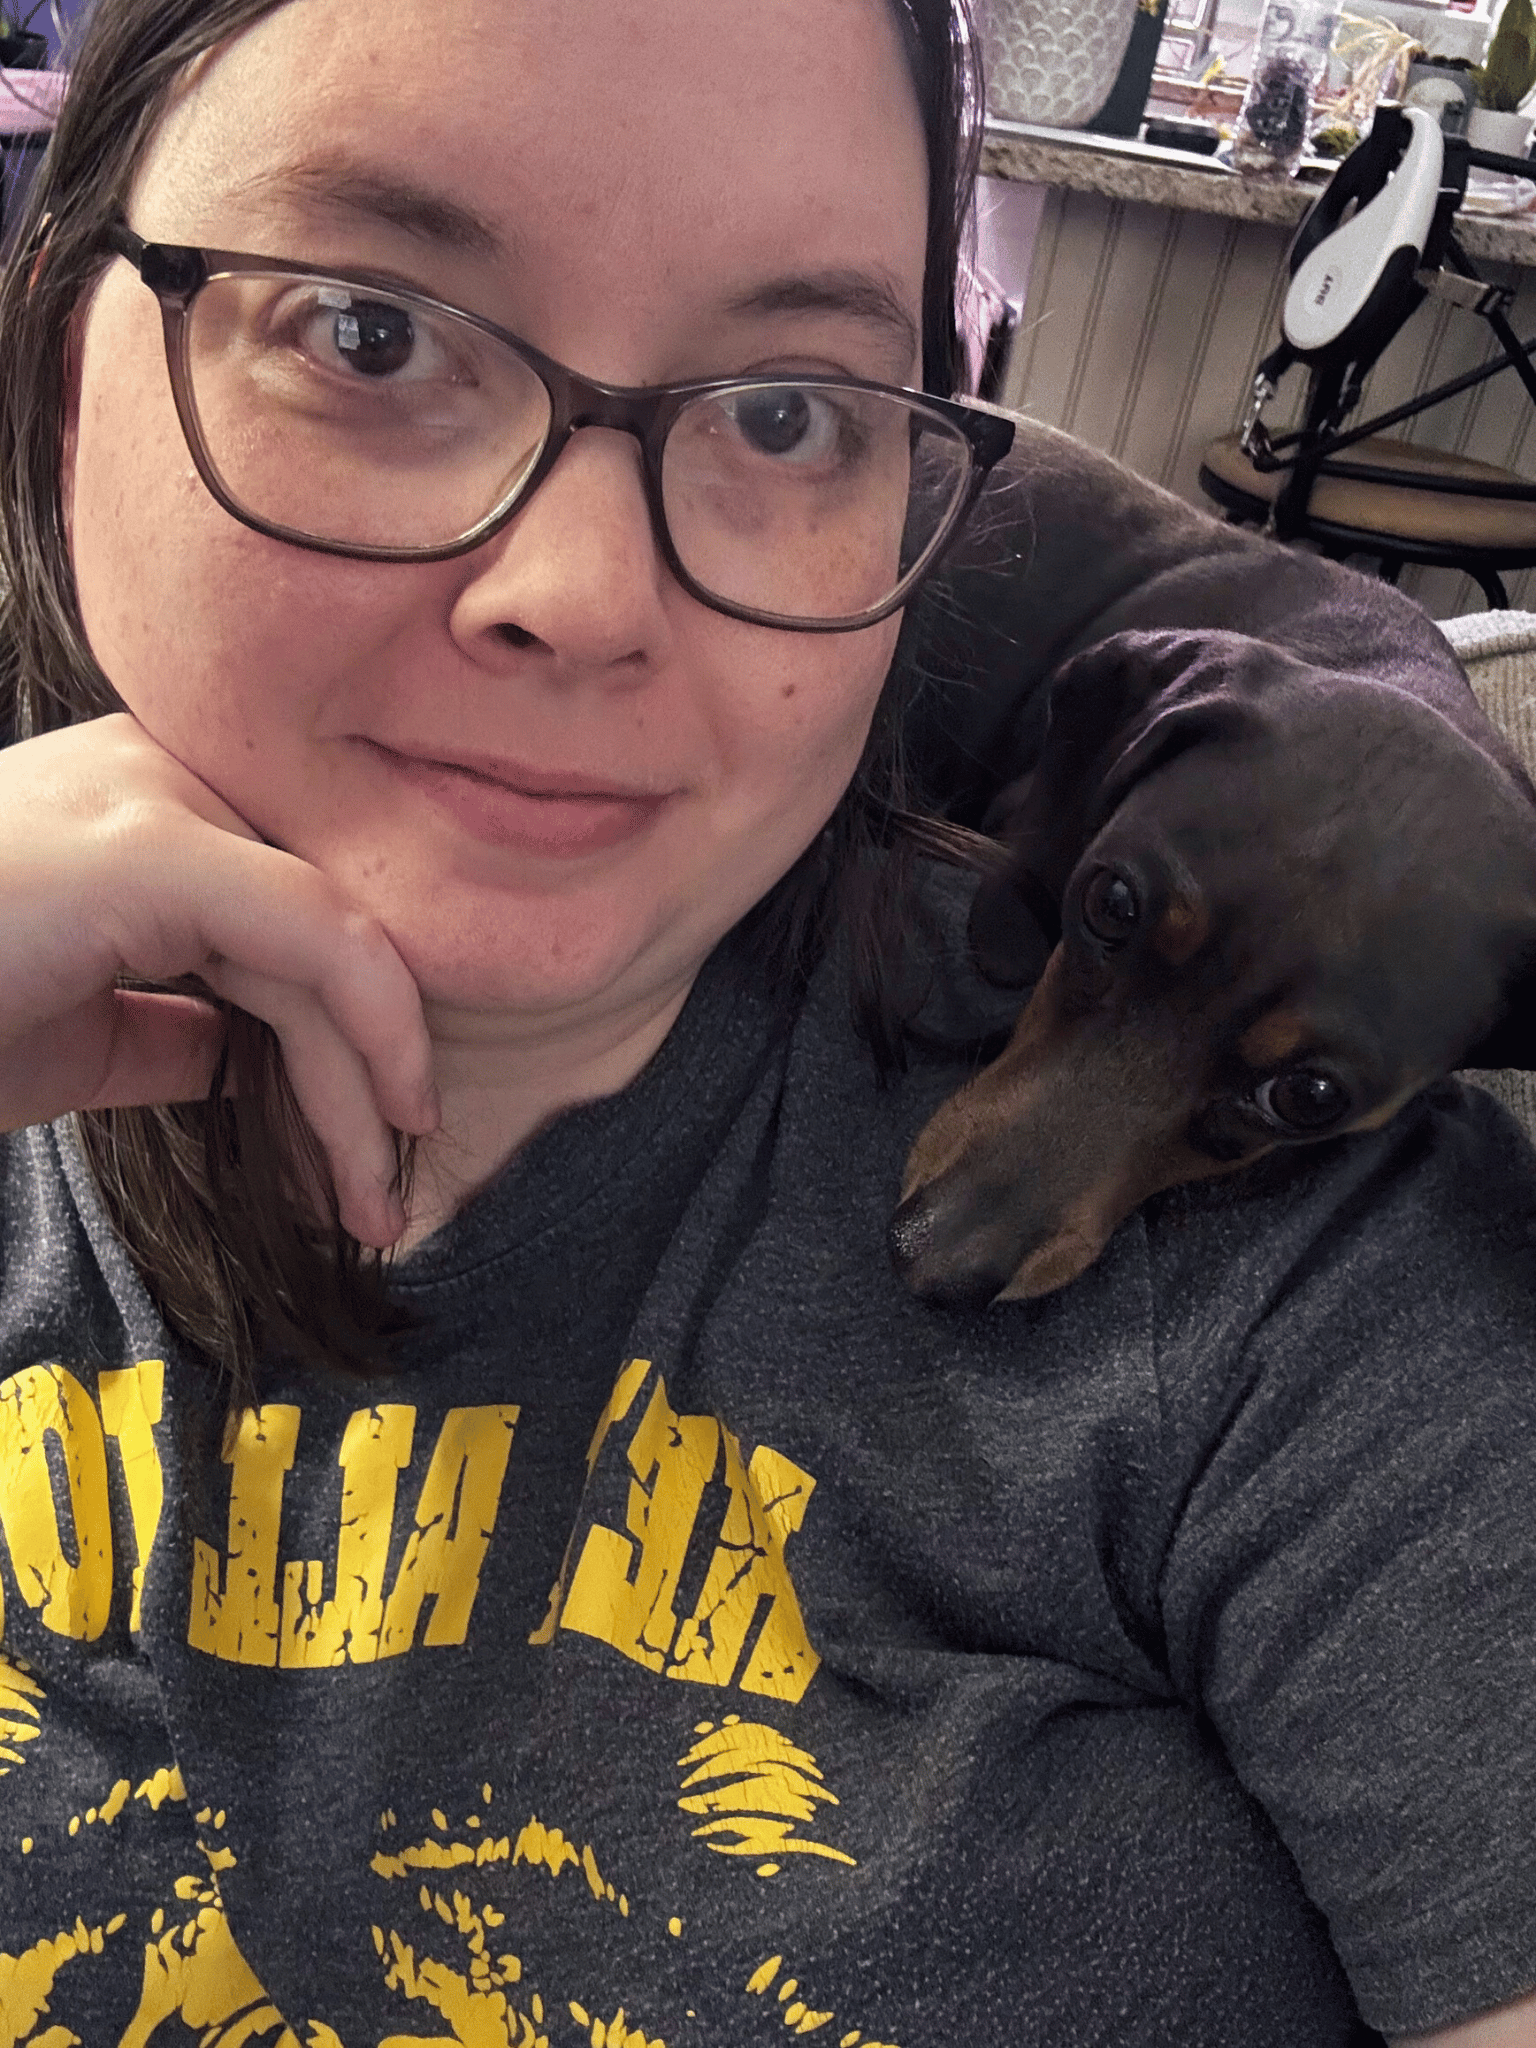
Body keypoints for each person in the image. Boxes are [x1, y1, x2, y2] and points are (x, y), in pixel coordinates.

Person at [0, 0, 1532, 2043]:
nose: (582, 588)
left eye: (793, 409)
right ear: (52, 340)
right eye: (370, 327)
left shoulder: (1328, 1316)